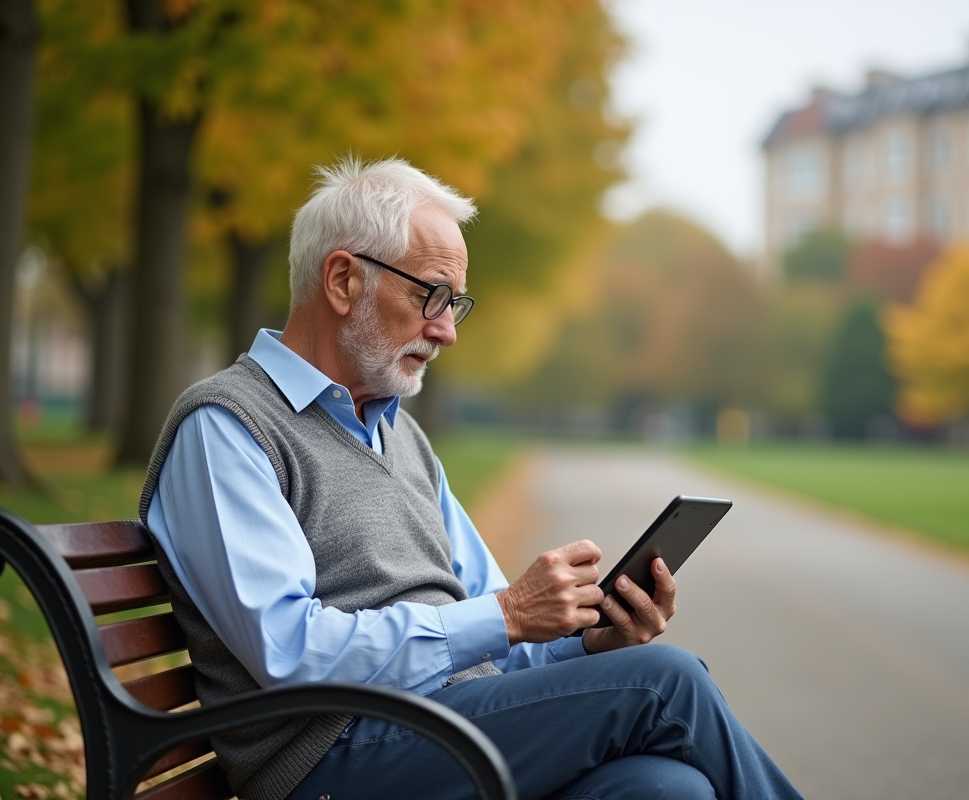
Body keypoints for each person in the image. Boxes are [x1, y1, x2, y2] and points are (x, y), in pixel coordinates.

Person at [141, 157, 804, 800]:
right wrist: (510, 615)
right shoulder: (227, 427)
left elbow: (497, 636)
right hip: (333, 760)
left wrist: (591, 644)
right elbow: (291, 652)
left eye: (454, 304)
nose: (446, 331)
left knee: (667, 788)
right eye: (430, 294)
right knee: (664, 683)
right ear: (343, 281)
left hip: (444, 730)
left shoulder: (402, 437)